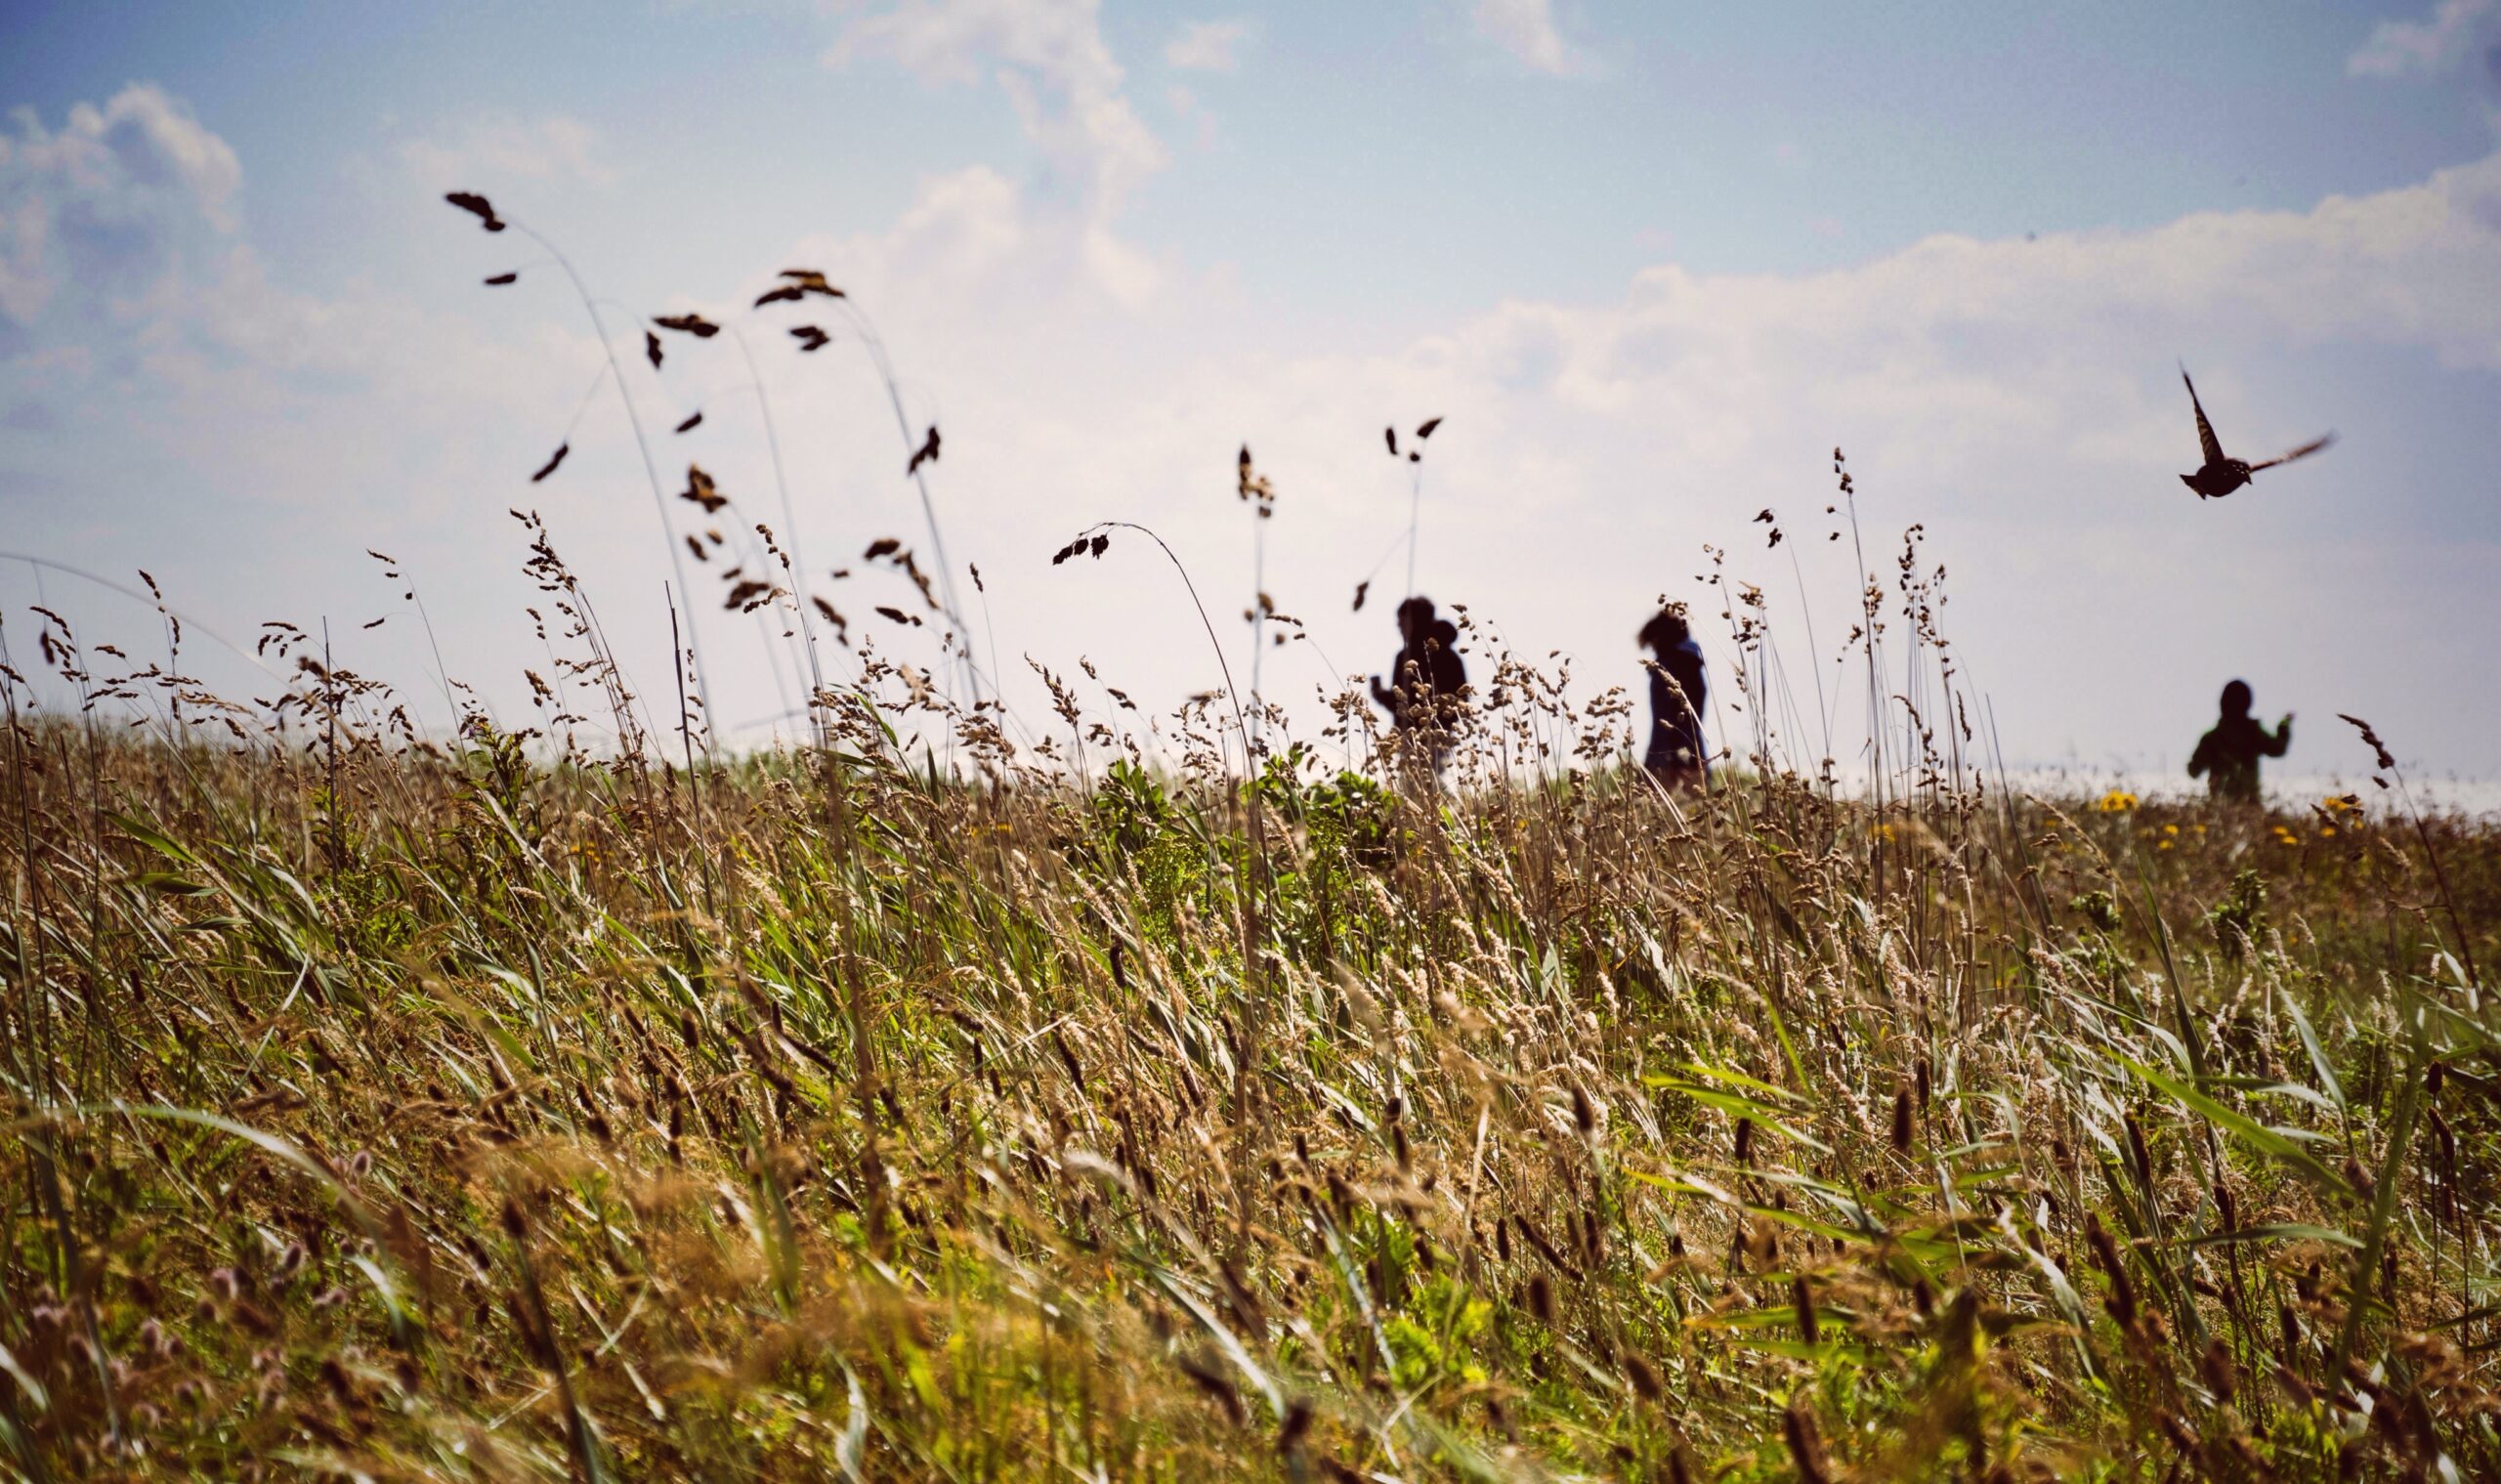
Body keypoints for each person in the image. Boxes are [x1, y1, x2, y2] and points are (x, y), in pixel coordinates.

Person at [1369, 596, 1467, 762]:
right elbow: (1462, 703)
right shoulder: (1451, 657)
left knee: (1415, 785)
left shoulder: (1405, 657)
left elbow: (1399, 703)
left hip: (1413, 741)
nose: (1399, 626)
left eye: (1402, 621)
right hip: (1440, 739)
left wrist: (1378, 693)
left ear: (1414, 621)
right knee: (1434, 784)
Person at [1638, 605, 1709, 789]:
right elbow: (1693, 721)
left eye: (1652, 642)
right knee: (1698, 809)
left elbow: (1662, 723)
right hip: (1694, 756)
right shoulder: (1693, 665)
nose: (1652, 648)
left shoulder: (1666, 667)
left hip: (1666, 759)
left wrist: (1654, 764)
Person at [2186, 679, 2290, 804]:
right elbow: (2278, 749)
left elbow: (2193, 771)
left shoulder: (2211, 738)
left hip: (2219, 809)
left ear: (2222, 704)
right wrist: (2283, 726)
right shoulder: (2254, 734)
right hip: (2251, 809)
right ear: (2247, 704)